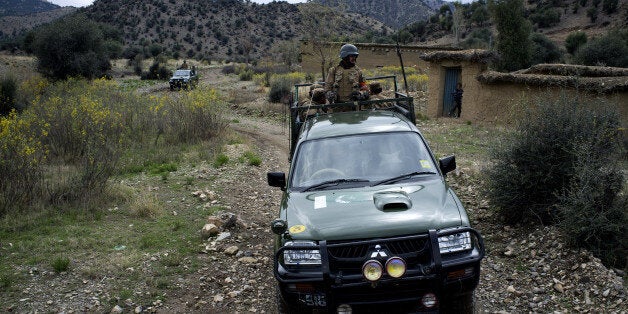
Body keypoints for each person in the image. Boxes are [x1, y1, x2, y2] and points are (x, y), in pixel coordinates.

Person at [325, 44, 369, 110]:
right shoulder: (334, 70)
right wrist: (329, 94)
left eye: (355, 56)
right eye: (351, 56)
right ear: (345, 56)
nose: (354, 58)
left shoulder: (358, 71)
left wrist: (360, 94)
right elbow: (327, 87)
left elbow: (364, 88)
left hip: (353, 106)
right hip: (337, 106)